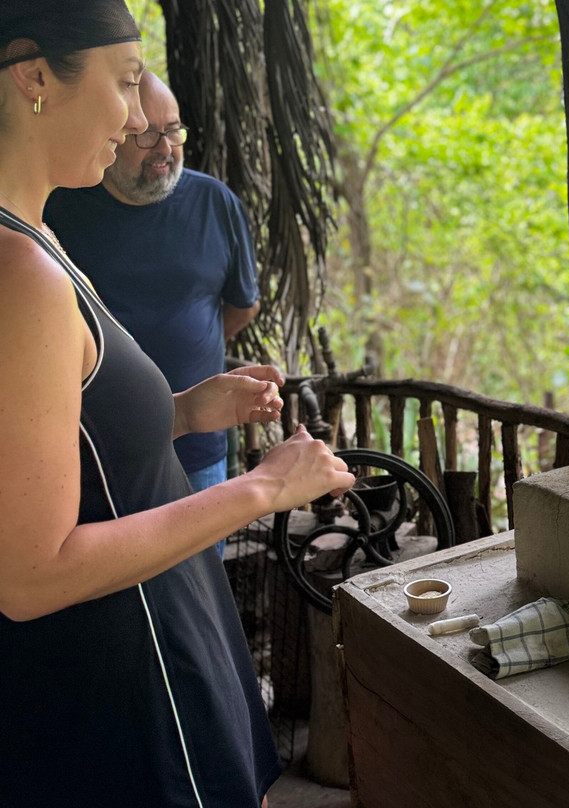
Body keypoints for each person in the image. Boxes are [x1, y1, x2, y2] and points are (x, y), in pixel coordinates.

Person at [0, 3, 356, 807]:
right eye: (125, 84)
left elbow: (54, 438)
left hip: (157, 628)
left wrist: (187, 412)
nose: (134, 118)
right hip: (124, 667)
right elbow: (28, 572)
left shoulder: (37, 234)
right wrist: (263, 488)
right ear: (32, 76)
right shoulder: (19, 274)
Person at [45, 70, 260, 557]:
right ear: (111, 134)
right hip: (96, 456)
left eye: (173, 130)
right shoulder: (58, 210)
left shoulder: (215, 202)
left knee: (200, 598)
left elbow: (240, 308)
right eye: (146, 133)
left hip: (199, 454)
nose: (165, 146)